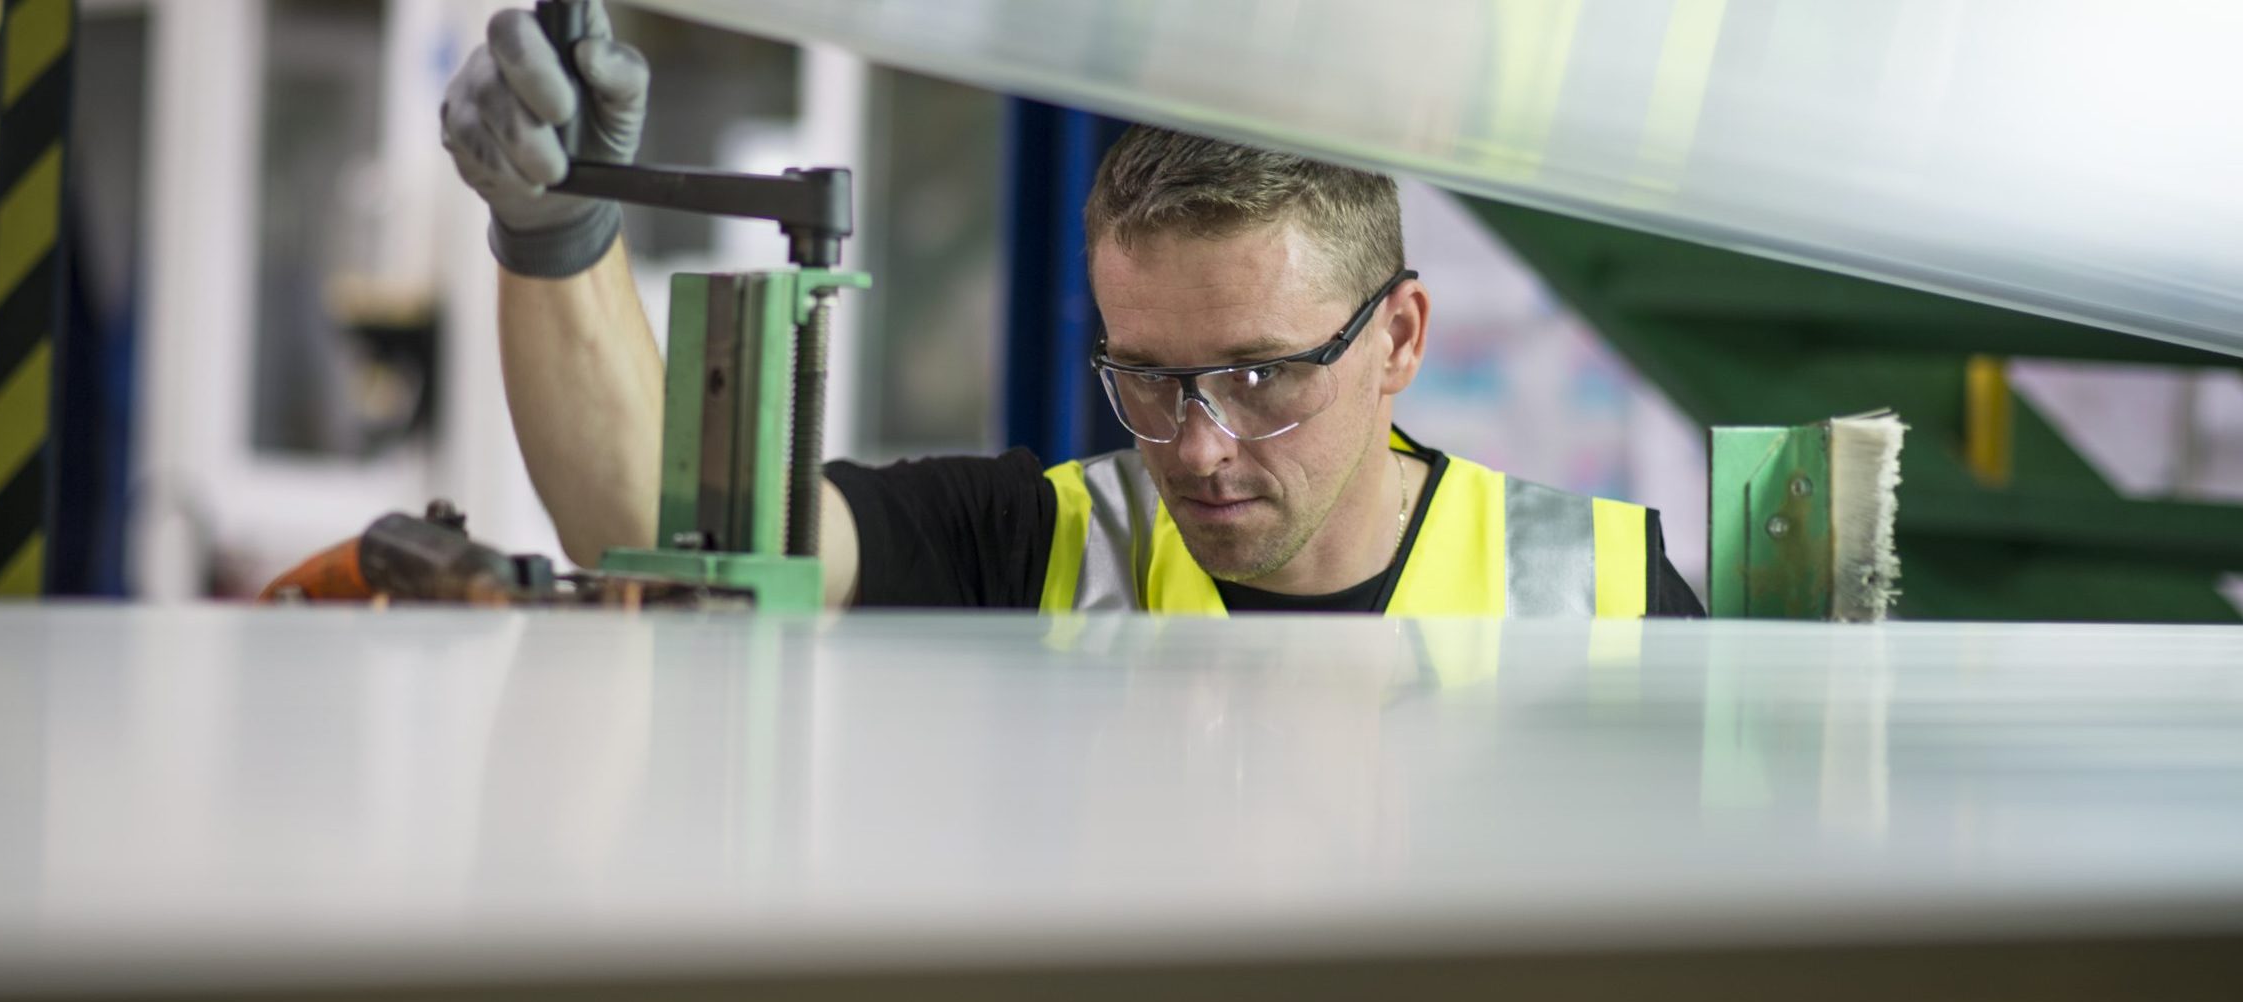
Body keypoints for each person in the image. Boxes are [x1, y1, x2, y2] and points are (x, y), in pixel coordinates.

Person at [440, 3, 1702, 616]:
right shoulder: (1036, 547)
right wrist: (558, 237)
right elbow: (658, 534)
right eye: (1150, 378)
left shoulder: (1604, 593)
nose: (1197, 449)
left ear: (1400, 340)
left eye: (1264, 377)